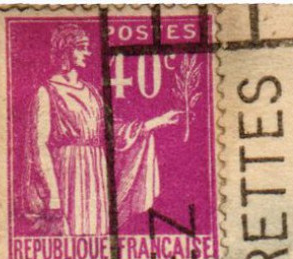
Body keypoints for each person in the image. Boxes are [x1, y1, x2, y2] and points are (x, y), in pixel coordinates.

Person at [29, 25, 181, 236]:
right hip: (68, 173)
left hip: (95, 172)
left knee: (95, 233)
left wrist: (156, 122)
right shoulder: (46, 91)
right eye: (81, 48)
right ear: (66, 50)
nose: (88, 53)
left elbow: (111, 132)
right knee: (71, 232)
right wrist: (53, 194)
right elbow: (39, 146)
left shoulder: (91, 92)